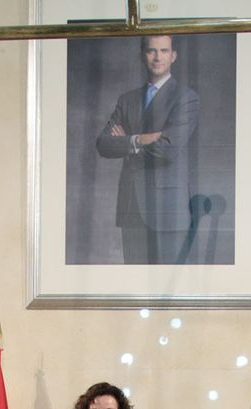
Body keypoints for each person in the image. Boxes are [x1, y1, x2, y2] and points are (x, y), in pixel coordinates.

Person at [93, 35, 200, 265]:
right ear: (143, 55)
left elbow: (167, 150)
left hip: (168, 209)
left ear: (173, 56)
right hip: (132, 208)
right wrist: (140, 139)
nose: (157, 57)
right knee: (135, 287)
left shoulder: (186, 98)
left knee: (168, 291)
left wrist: (127, 143)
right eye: (152, 51)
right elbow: (103, 144)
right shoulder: (127, 100)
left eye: (163, 51)